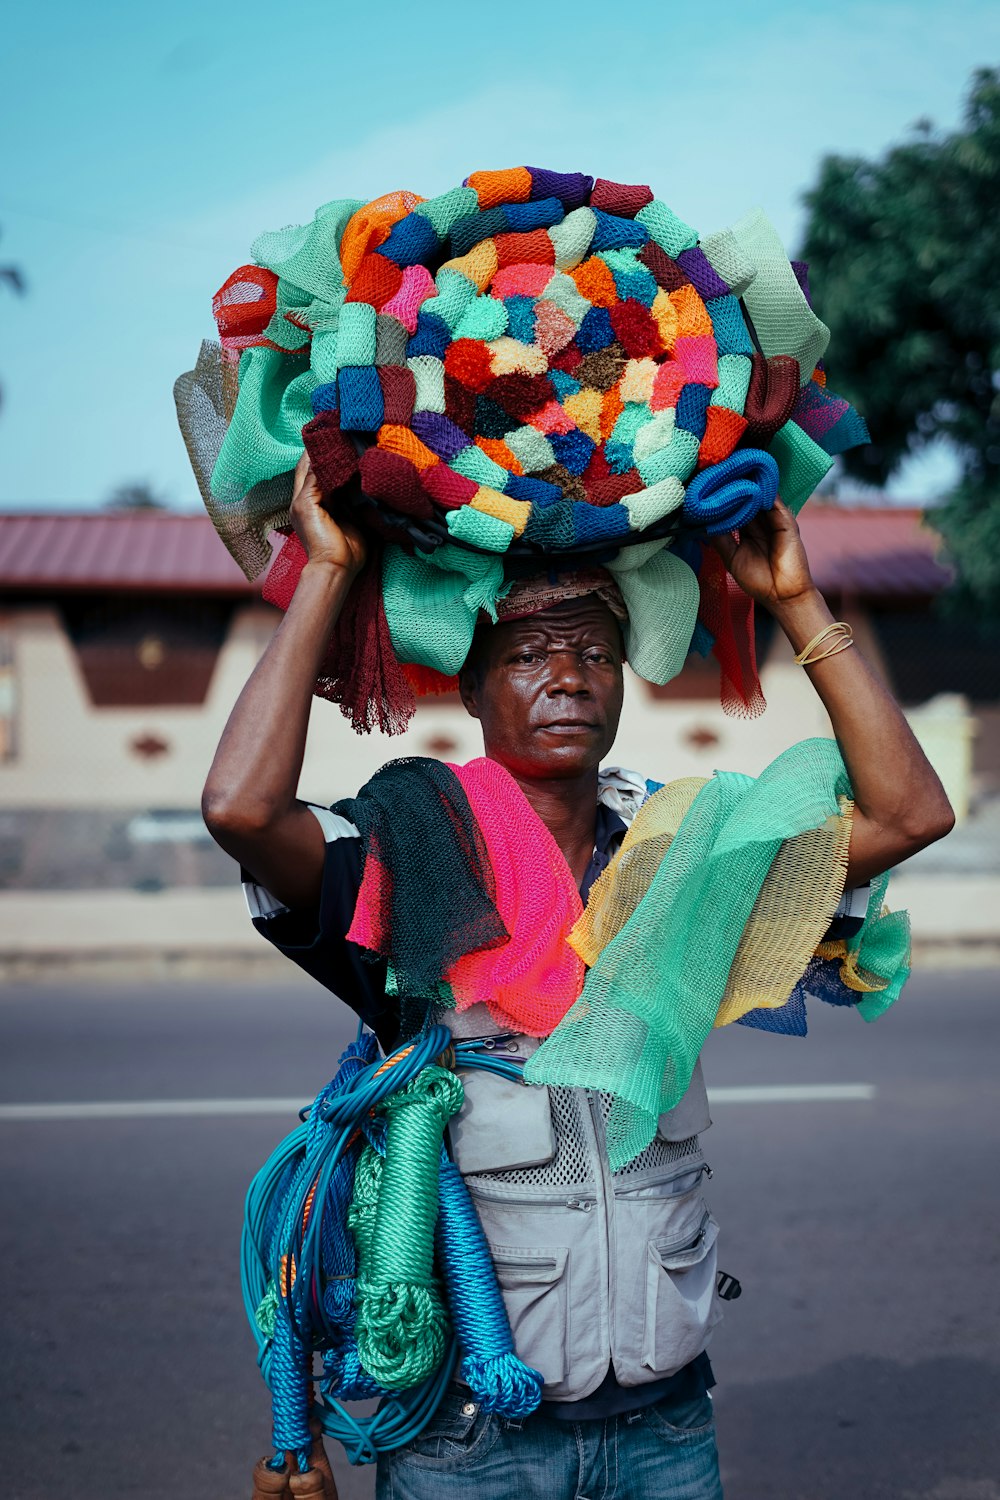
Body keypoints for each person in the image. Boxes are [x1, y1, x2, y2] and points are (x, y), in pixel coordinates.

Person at [203, 455, 953, 1500]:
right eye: (528, 656)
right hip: (467, 1441)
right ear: (468, 688)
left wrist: (791, 596)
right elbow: (241, 811)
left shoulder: (679, 865)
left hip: (665, 1428)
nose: (567, 676)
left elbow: (909, 816)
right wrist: (327, 569)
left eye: (594, 653)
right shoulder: (411, 856)